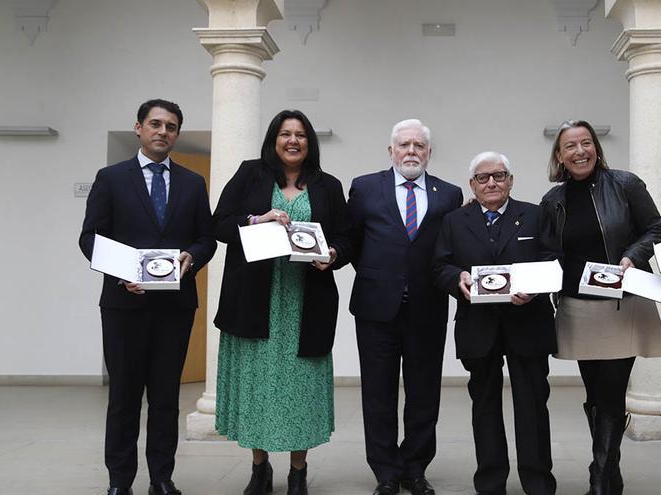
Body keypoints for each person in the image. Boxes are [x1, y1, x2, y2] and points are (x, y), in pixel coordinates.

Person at [79, 99, 216, 495]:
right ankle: (120, 481)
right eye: (155, 124)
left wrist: (193, 257)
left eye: (171, 126)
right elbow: (90, 237)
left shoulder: (193, 182)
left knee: (165, 399)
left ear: (176, 134)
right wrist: (122, 273)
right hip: (124, 305)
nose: (163, 132)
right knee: (123, 397)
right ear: (139, 128)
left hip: (174, 307)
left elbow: (206, 238)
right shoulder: (111, 178)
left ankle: (161, 478)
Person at [212, 110, 349, 495]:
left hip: (307, 302)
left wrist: (334, 253)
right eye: (286, 134)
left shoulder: (329, 186)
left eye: (301, 135)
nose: (293, 141)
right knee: (257, 388)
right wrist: (257, 220)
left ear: (310, 142)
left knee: (301, 390)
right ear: (274, 139)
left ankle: (298, 472)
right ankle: (259, 468)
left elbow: (348, 236)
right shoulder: (250, 173)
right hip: (255, 301)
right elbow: (219, 224)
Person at [540, 120, 661, 495]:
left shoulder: (626, 184)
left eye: (586, 143)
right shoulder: (553, 201)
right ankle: (610, 474)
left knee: (612, 392)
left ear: (596, 147)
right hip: (579, 308)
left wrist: (631, 256)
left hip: (623, 305)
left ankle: (598, 477)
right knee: (595, 394)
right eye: (570, 146)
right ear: (560, 156)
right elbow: (549, 252)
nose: (580, 151)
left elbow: (655, 229)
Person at [345, 119, 463, 495]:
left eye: (419, 146)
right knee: (377, 394)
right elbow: (352, 242)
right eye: (404, 145)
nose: (411, 151)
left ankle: (415, 468)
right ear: (391, 151)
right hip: (375, 308)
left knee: (424, 393)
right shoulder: (364, 188)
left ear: (429, 153)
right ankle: (385, 472)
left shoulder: (449, 194)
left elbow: (450, 249)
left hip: (427, 309)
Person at [432, 151, 558, 495]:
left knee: (532, 407)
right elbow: (439, 266)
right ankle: (490, 483)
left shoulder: (534, 215)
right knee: (484, 408)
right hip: (478, 326)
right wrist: (457, 278)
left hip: (528, 324)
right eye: (483, 177)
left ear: (511, 180)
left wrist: (532, 289)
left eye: (499, 176)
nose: (492, 182)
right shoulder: (454, 221)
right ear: (472, 184)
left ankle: (538, 483)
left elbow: (552, 260)